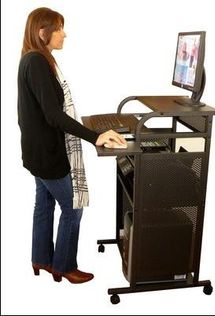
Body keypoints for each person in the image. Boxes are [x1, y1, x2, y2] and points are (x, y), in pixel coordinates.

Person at [17, 7, 127, 284]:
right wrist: (95, 136)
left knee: (43, 204)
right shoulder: (38, 62)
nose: (64, 34)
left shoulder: (33, 59)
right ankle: (64, 266)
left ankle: (41, 258)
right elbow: (54, 115)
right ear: (43, 32)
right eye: (59, 28)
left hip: (36, 153)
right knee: (73, 206)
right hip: (47, 155)